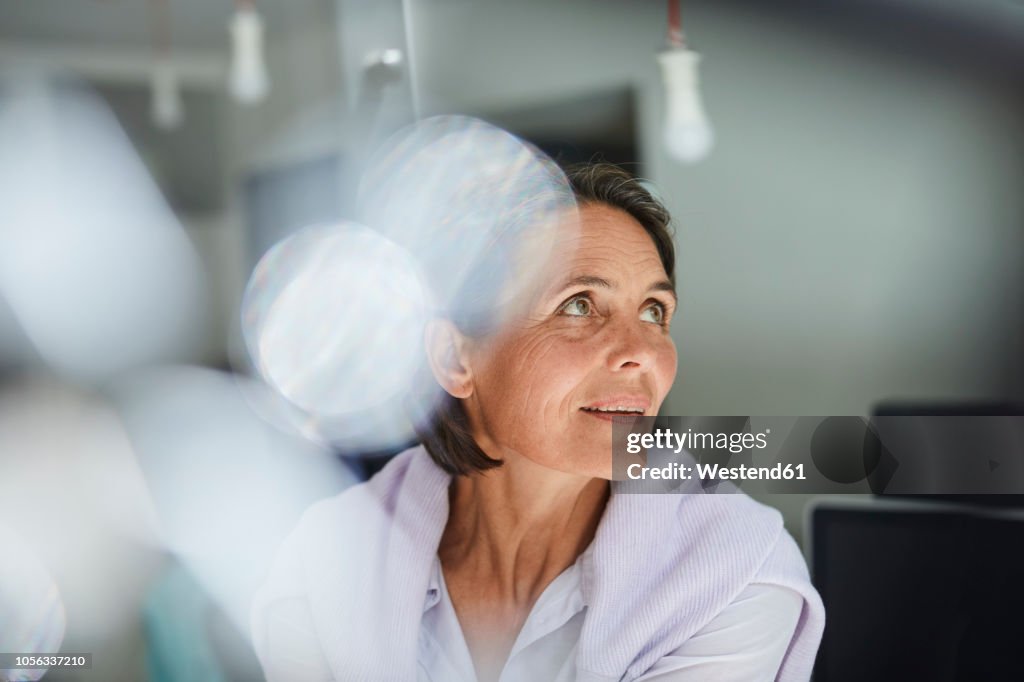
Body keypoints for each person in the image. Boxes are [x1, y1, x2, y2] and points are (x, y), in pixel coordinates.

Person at [251, 162, 825, 681]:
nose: (642, 352)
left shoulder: (735, 574)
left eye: (655, 312)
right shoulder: (323, 565)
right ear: (455, 359)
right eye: (578, 304)